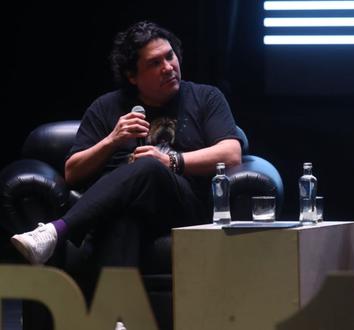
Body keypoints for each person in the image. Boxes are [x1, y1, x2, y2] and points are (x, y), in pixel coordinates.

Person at [10, 21, 241, 268]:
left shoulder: (205, 97)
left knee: (151, 166)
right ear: (132, 76)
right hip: (119, 210)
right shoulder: (106, 107)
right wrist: (112, 140)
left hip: (181, 205)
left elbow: (231, 154)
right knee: (123, 218)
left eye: (170, 56)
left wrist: (171, 161)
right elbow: (72, 174)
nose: (168, 67)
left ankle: (57, 231)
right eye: (155, 63)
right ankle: (118, 305)